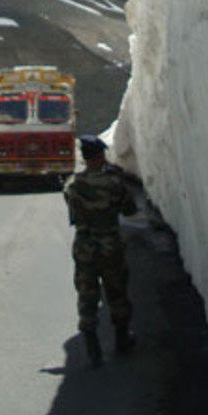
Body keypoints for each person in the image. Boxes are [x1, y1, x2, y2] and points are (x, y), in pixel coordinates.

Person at [63, 135, 142, 367]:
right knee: (116, 291)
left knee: (87, 293)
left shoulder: (72, 185)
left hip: (84, 246)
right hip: (110, 245)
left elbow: (72, 212)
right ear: (99, 156)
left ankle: (92, 345)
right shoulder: (113, 183)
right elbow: (129, 210)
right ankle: (122, 339)